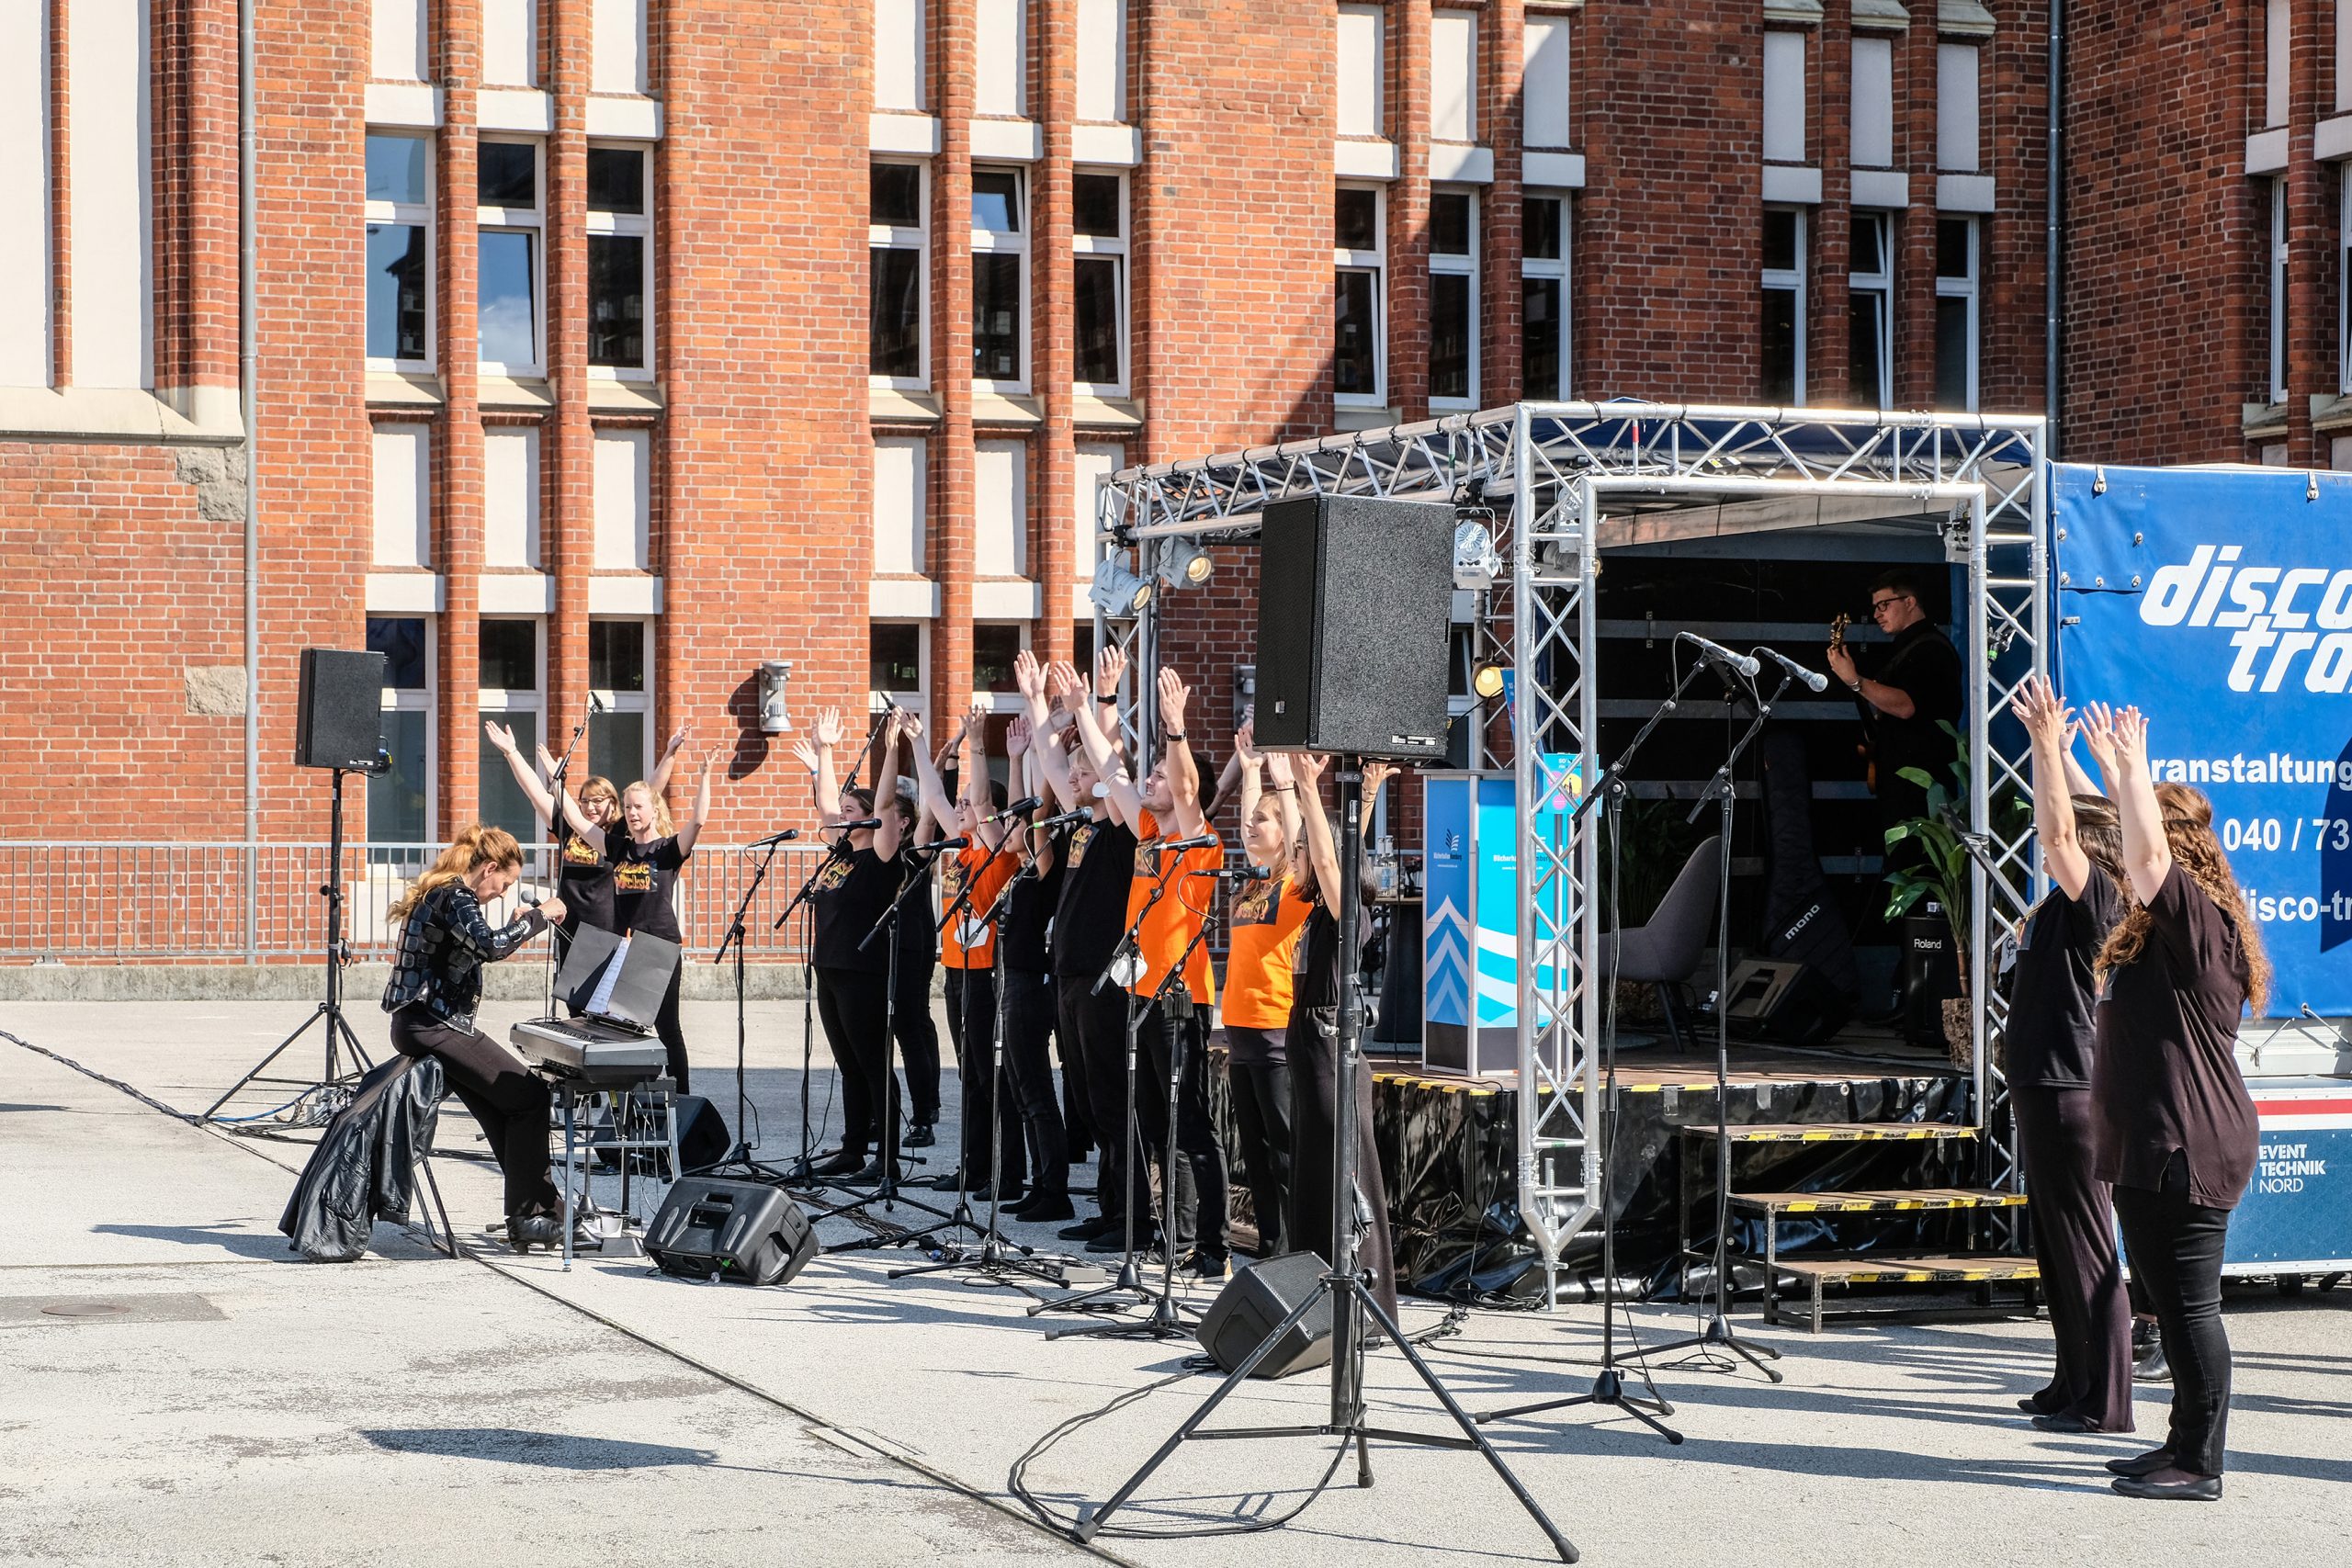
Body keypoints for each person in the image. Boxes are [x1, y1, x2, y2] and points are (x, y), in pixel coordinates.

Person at [2081, 702, 2271, 1502]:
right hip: (2149, 1143)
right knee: (2163, 1298)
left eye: (2140, 837)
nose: (2128, 855)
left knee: (2191, 1309)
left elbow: (2150, 854)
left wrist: (2129, 769)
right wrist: (2112, 776)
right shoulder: (2152, 932)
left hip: (2190, 1141)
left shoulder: (2201, 919)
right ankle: (2179, 1441)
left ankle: (2202, 1462)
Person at [1069, 653, 1229, 1278]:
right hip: (1140, 992)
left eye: (1159, 774)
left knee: (1188, 1122)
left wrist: (1177, 729)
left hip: (1179, 996)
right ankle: (1176, 1234)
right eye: (1154, 774)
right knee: (1159, 1123)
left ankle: (1208, 1244)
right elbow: (1109, 767)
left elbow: (1187, 790)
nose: (1152, 780)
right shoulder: (1146, 834)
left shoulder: (1197, 840)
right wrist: (1099, 701)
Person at [2006, 675, 2133, 1435]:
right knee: (2056, 1244)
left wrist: (2045, 743)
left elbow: (2067, 831)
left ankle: (2108, 1399)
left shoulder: (2102, 895)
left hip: (2070, 1083)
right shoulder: (2086, 887)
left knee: (2086, 1243)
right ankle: (2072, 1378)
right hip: (2041, 1078)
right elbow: (2092, 817)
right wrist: (2066, 752)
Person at [379, 826, 567, 1249]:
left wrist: (518, 925)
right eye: (506, 883)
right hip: (433, 1025)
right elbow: (490, 946)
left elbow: (476, 944)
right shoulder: (455, 895)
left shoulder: (446, 894)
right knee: (531, 1095)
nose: (503, 893)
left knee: (507, 1107)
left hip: (424, 1023)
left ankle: (541, 1213)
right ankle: (535, 1215)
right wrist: (541, 916)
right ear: (489, 868)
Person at [1018, 649, 1142, 1248]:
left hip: (1106, 977)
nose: (1072, 775)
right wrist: (1039, 704)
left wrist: (1100, 704)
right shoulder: (1086, 826)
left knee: (1115, 1101)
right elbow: (1053, 760)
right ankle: (1110, 1204)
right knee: (1091, 1102)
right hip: (1070, 976)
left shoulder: (1120, 826)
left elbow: (1111, 764)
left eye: (1081, 768)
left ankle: (1134, 1216)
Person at [1287, 751, 1402, 1329]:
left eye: (1303, 847)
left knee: (1347, 1164)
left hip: (1334, 1041)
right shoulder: (1313, 908)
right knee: (1315, 1163)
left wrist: (1310, 786)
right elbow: (1334, 857)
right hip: (1307, 1042)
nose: (1298, 855)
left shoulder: (1344, 908)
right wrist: (1366, 797)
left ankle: (1366, 1303)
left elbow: (1335, 859)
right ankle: (1314, 1296)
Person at [553, 740, 715, 1093]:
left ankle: (681, 1097)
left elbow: (699, 820)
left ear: (653, 810)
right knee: (623, 1028)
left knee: (667, 1026)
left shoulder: (667, 849)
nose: (632, 813)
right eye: (627, 807)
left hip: (660, 946)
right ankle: (632, 1096)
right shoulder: (619, 848)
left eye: (639, 807)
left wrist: (704, 776)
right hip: (628, 946)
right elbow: (577, 821)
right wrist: (557, 781)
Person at [910, 702, 1024, 1201]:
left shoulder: (992, 852)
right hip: (956, 969)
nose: (959, 811)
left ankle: (1003, 1168)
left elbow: (976, 802)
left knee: (990, 1076)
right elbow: (933, 794)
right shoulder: (958, 847)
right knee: (971, 1077)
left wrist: (978, 746)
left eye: (970, 809)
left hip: (986, 974)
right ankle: (975, 1165)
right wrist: (917, 742)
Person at [482, 721, 687, 993]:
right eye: (585, 801)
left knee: (600, 1001)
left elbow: (653, 790)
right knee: (573, 1000)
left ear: (613, 803)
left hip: (604, 927)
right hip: (568, 923)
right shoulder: (572, 829)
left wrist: (670, 752)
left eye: (598, 800)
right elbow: (535, 794)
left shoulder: (618, 836)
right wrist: (512, 752)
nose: (591, 807)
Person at [795, 707, 910, 1183]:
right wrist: (824, 751)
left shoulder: (881, 856)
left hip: (864, 971)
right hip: (831, 967)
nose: (840, 819)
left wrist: (890, 748)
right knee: (847, 1063)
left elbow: (885, 807)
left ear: (868, 820)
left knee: (871, 1062)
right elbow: (825, 807)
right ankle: (852, 1149)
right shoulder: (842, 852)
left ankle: (887, 1161)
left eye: (850, 813)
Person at [1219, 720, 1312, 1258]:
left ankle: (1298, 1247)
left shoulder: (1293, 886)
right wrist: (1251, 771)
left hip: (1276, 1027)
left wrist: (1285, 790)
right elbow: (1254, 830)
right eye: (1250, 821)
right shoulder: (1254, 881)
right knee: (1253, 1150)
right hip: (1239, 1027)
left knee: (1284, 1149)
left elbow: (1300, 844)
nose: (1251, 826)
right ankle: (1271, 1243)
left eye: (1262, 823)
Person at [994, 714, 1075, 1221]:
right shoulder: (1020, 871)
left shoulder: (1044, 867)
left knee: (1037, 1089)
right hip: (1011, 979)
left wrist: (1043, 758)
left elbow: (1038, 819)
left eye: (1016, 824)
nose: (1010, 826)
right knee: (1022, 1089)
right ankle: (1041, 1182)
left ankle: (1056, 1188)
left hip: (1030, 980)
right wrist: (1023, 758)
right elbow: (1028, 815)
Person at [1826, 568, 1964, 844]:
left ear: (1910, 602)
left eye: (1884, 605)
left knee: (1915, 859)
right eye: (1875, 607)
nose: (1877, 614)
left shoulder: (1930, 650)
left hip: (1921, 784)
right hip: (1901, 780)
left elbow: (1906, 706)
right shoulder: (1906, 647)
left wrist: (1856, 681)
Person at [880, 716, 944, 1149]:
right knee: (902, 1026)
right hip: (886, 942)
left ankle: (924, 1115)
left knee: (911, 1023)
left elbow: (930, 819)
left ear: (904, 821)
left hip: (913, 941)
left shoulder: (916, 847)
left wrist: (931, 759)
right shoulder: (881, 848)